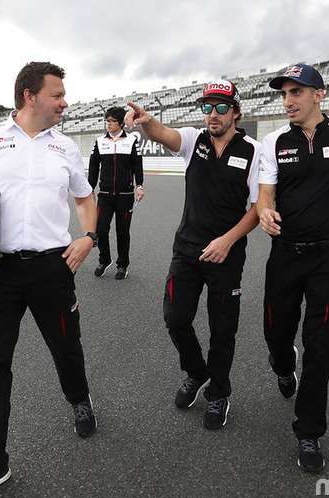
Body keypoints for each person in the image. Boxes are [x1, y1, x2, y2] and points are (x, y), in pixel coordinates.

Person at [0, 61, 98, 498]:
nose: (64, 103)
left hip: (53, 269)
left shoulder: (66, 147)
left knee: (66, 346)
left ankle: (79, 399)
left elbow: (85, 197)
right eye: (57, 95)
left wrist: (88, 237)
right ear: (30, 96)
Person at [125, 80, 261, 430]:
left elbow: (260, 208)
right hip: (186, 250)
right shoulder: (193, 140)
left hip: (226, 255)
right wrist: (146, 120)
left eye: (220, 107)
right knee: (175, 318)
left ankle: (218, 393)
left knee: (222, 329)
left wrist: (227, 240)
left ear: (235, 112)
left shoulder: (254, 151)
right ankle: (196, 372)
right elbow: (162, 133)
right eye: (207, 107)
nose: (212, 115)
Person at [256, 63, 329, 472]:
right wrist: (266, 213)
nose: (287, 101)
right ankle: (283, 365)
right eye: (284, 94)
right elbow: (264, 196)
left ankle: (309, 432)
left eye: (296, 93)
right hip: (284, 255)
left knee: (320, 348)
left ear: (318, 95)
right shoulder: (272, 142)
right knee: (276, 335)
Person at [88, 106, 145, 280]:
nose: (109, 124)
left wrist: (139, 185)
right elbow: (93, 167)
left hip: (125, 196)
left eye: (112, 121)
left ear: (121, 123)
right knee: (101, 229)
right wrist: (89, 189)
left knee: (122, 232)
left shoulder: (131, 141)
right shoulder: (99, 142)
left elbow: (137, 165)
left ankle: (122, 265)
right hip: (104, 195)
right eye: (107, 120)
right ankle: (104, 260)